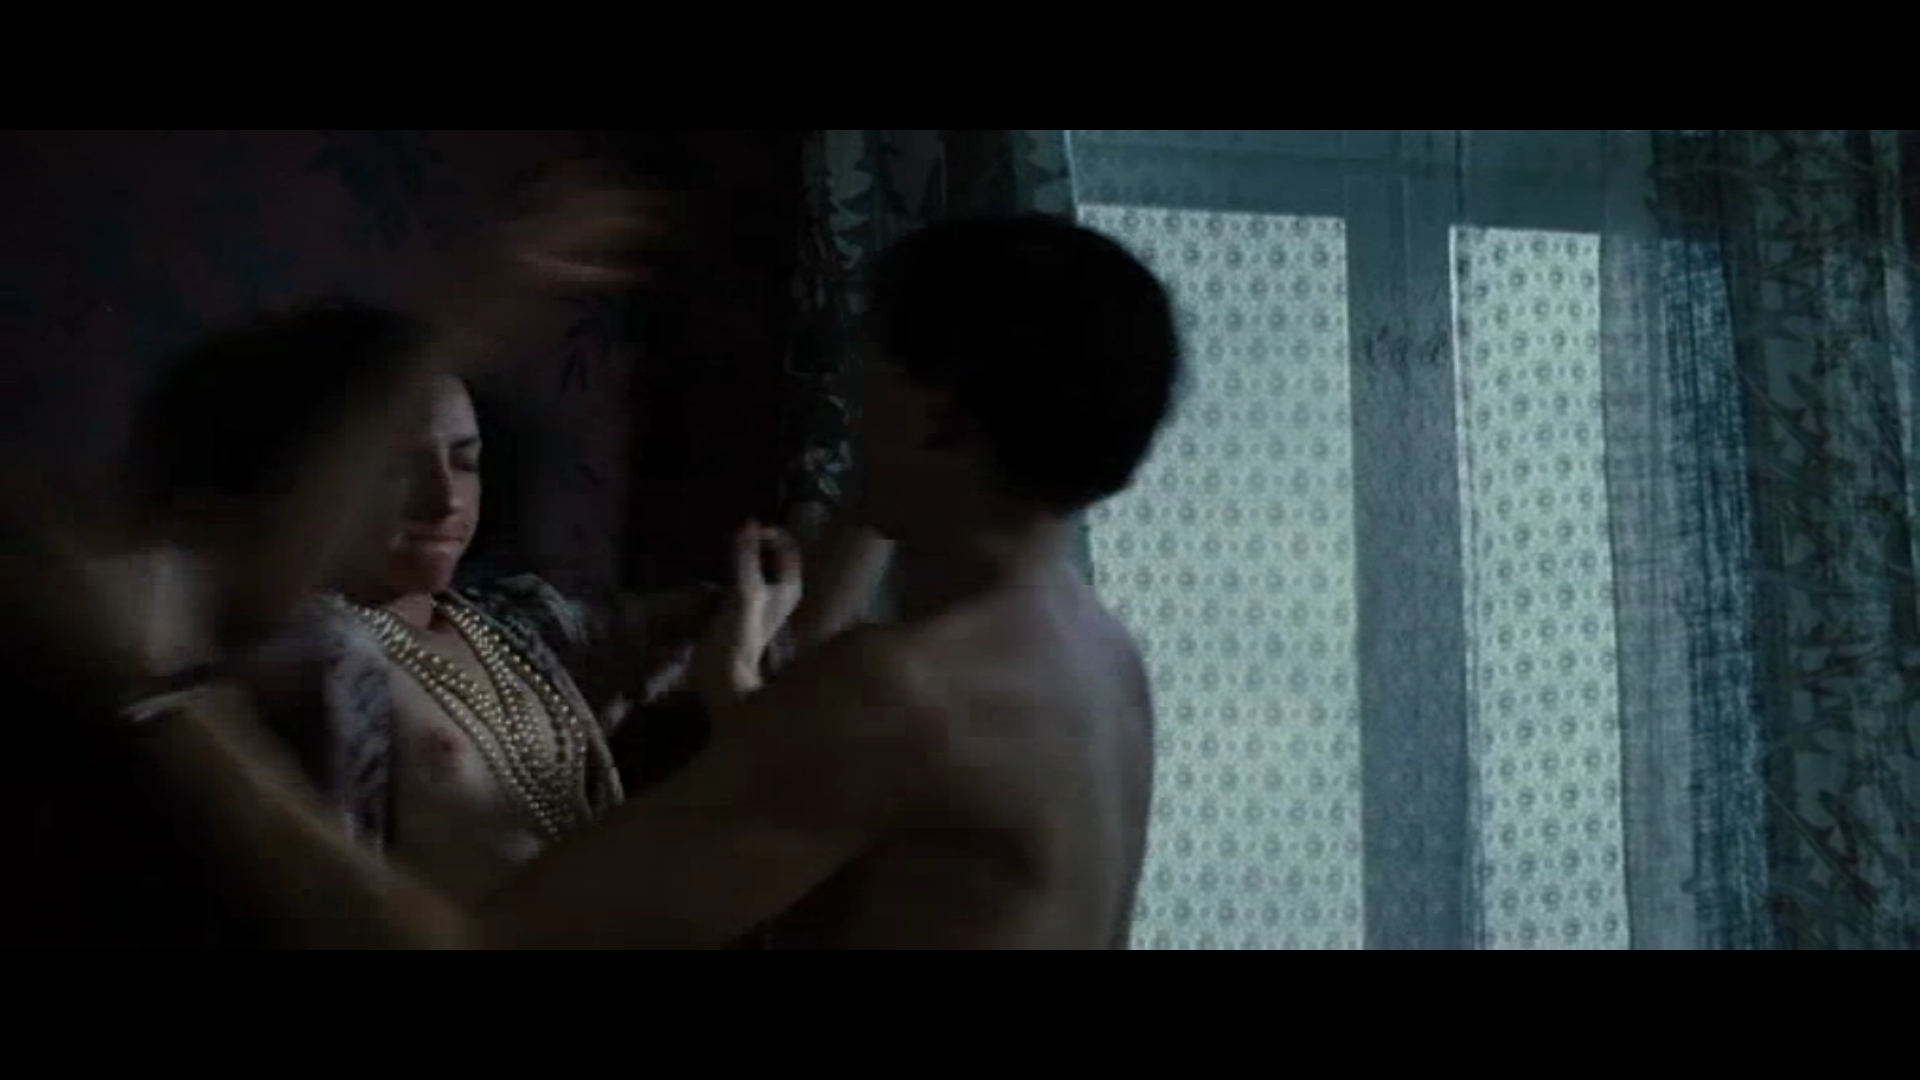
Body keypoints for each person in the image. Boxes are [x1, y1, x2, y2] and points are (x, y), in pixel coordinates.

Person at [482, 213, 1181, 949]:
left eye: (871, 377)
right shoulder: (1103, 652)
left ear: (940, 423)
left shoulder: (903, 690)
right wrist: (736, 677)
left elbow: (507, 935)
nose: (852, 408)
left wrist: (455, 333)